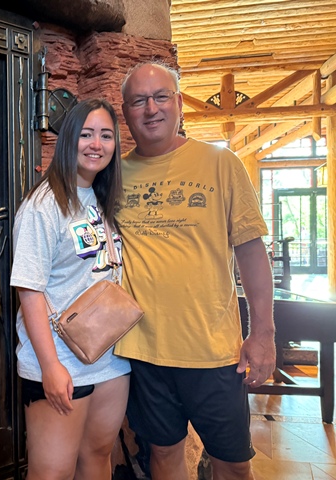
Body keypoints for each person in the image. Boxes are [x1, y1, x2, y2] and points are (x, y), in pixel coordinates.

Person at [115, 61, 276, 480]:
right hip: (142, 350)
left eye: (161, 97)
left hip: (214, 351)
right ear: (125, 111)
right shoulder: (113, 175)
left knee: (234, 464)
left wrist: (263, 334)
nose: (151, 108)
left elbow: (252, 253)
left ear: (180, 103)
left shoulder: (221, 163)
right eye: (138, 101)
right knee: (163, 455)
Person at [10, 98, 131, 480]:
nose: (96, 144)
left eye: (106, 136)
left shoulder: (104, 197)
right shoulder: (43, 205)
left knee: (97, 457)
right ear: (68, 140)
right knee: (52, 473)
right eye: (86, 134)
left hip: (110, 357)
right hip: (60, 358)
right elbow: (28, 290)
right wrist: (50, 366)